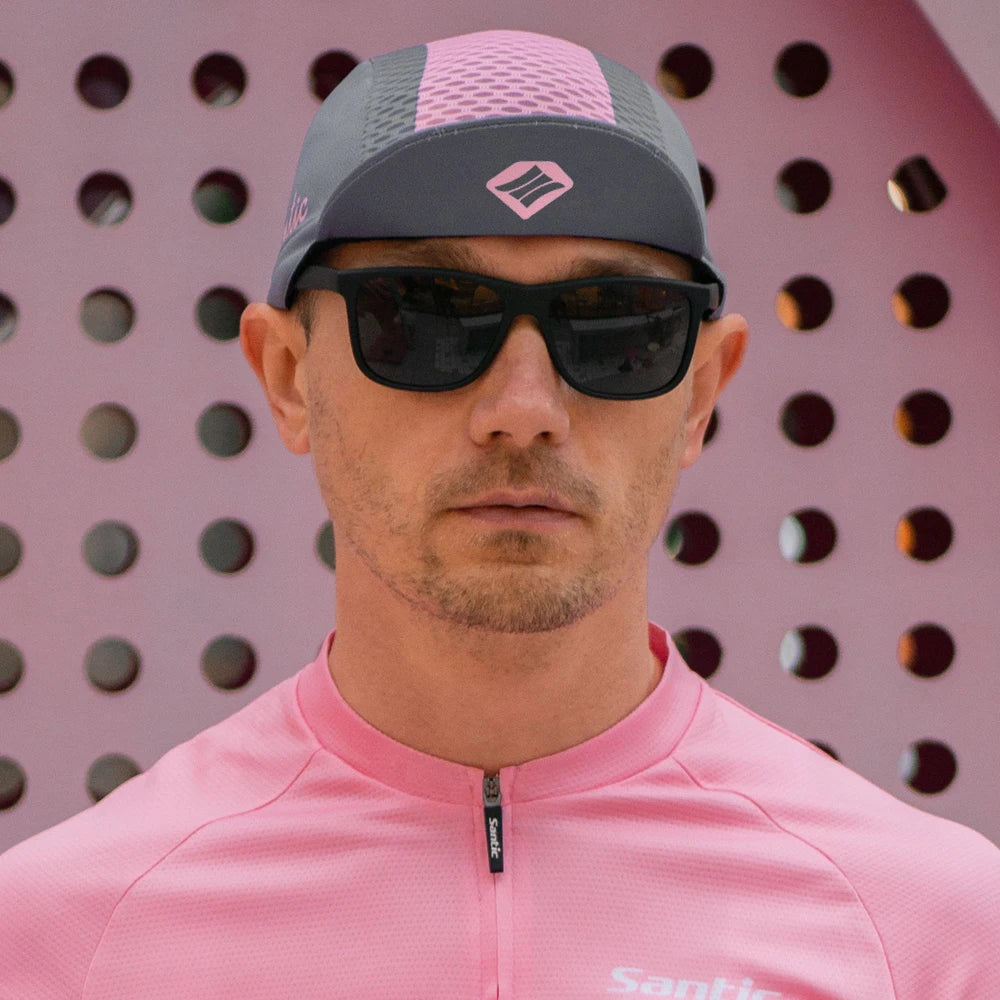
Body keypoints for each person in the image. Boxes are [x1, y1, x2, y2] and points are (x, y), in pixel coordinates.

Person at [2, 28, 998, 1000]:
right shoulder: (63, 939)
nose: (523, 409)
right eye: (426, 316)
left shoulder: (932, 937)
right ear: (289, 374)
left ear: (699, 392)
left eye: (614, 326)